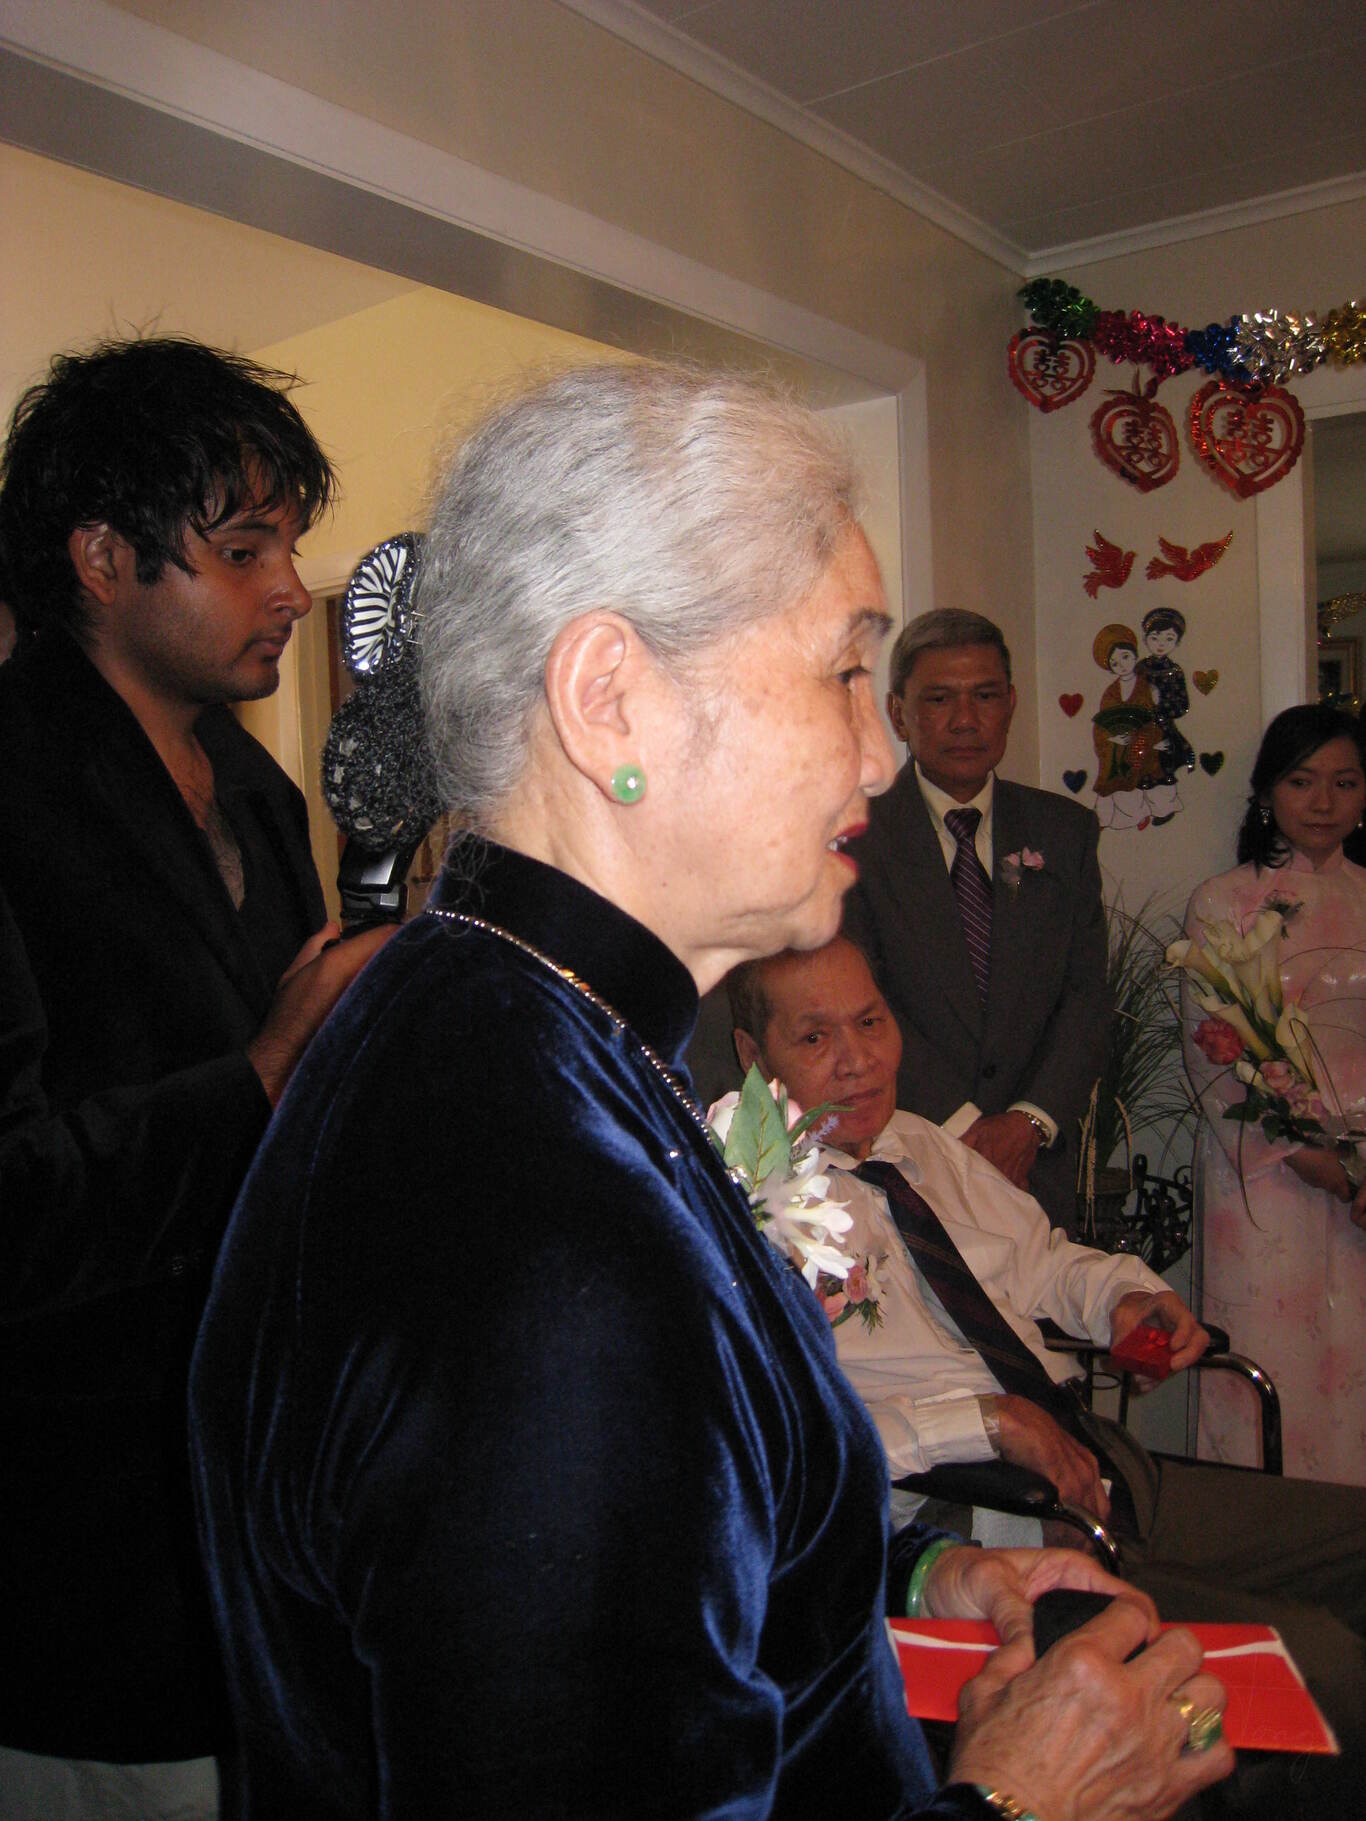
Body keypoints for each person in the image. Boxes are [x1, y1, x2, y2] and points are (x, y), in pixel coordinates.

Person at [187, 365, 1229, 1821]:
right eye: (842, 671)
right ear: (610, 699)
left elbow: (627, 1567)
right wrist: (1020, 1802)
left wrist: (912, 1570)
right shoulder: (538, 1210)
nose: (882, 752)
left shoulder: (523, 1030)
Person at [0, 337, 390, 1818]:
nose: (291, 587)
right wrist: (267, 1073)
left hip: (263, 1530)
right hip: (76, 1559)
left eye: (288, 546)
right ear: (103, 558)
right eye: (243, 550)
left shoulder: (260, 791)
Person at [725, 932, 1366, 1803]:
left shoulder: (924, 1146)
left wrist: (1127, 1299)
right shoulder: (741, 1210)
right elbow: (777, 1444)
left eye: (870, 1022)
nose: (858, 1059)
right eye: (815, 1036)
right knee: (1327, 1668)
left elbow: (1046, 1261)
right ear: (752, 1055)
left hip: (1101, 1461)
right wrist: (987, 1422)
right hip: (998, 1525)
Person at [844, 608, 1108, 1233]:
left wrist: (1029, 1122)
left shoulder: (1064, 832)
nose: (966, 720)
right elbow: (860, 1004)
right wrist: (966, 1128)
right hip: (907, 1152)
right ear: (899, 713)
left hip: (1035, 1164)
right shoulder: (852, 837)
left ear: (1010, 704)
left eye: (985, 696)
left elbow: (1086, 998)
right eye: (939, 699)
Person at [1180, 704, 1366, 1486]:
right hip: (1261, 1173)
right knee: (1268, 1364)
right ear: (1266, 792)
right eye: (1302, 780)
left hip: (1364, 1178)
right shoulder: (1223, 902)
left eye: (1345, 782)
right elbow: (1215, 1054)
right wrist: (1302, 1150)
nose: (1323, 801)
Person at [1089, 622, 1177, 830]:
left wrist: (1156, 740)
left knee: (1153, 772)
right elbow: (1102, 726)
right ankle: (1112, 817)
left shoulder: (1149, 687)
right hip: (1120, 748)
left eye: (1125, 657)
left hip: (1146, 743)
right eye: (1115, 663)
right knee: (1115, 777)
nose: (1121, 665)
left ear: (1135, 655)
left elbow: (1157, 719)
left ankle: (1158, 810)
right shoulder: (1110, 693)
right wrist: (1113, 739)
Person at [1136, 606, 1194, 792]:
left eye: (1168, 639)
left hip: (1164, 725)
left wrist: (1162, 704)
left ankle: (1163, 777)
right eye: (1155, 638)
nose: (1161, 644)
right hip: (1142, 724)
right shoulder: (1140, 668)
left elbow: (1182, 704)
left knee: (1167, 752)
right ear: (1145, 639)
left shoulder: (1175, 672)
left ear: (1177, 643)